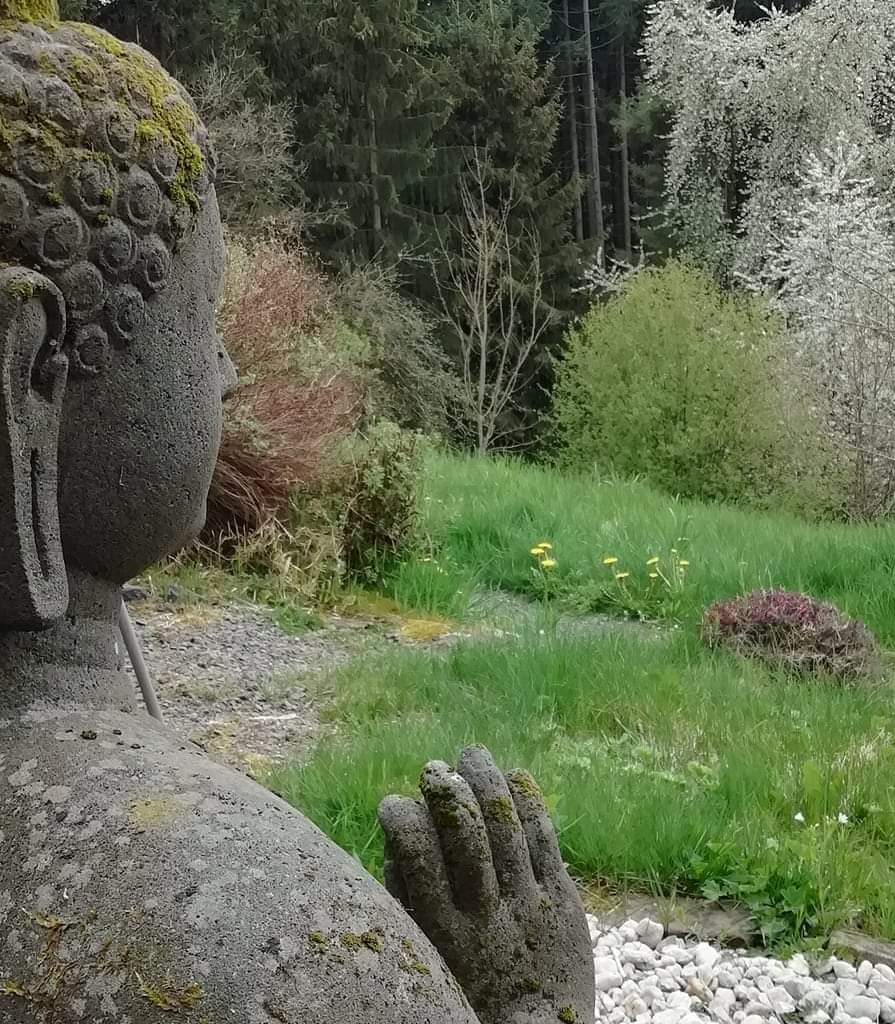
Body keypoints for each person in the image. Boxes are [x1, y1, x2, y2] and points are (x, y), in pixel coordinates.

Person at [0, 5, 594, 1021]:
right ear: (29, 375)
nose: (227, 370)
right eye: (198, 315)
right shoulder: (279, 949)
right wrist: (535, 1003)